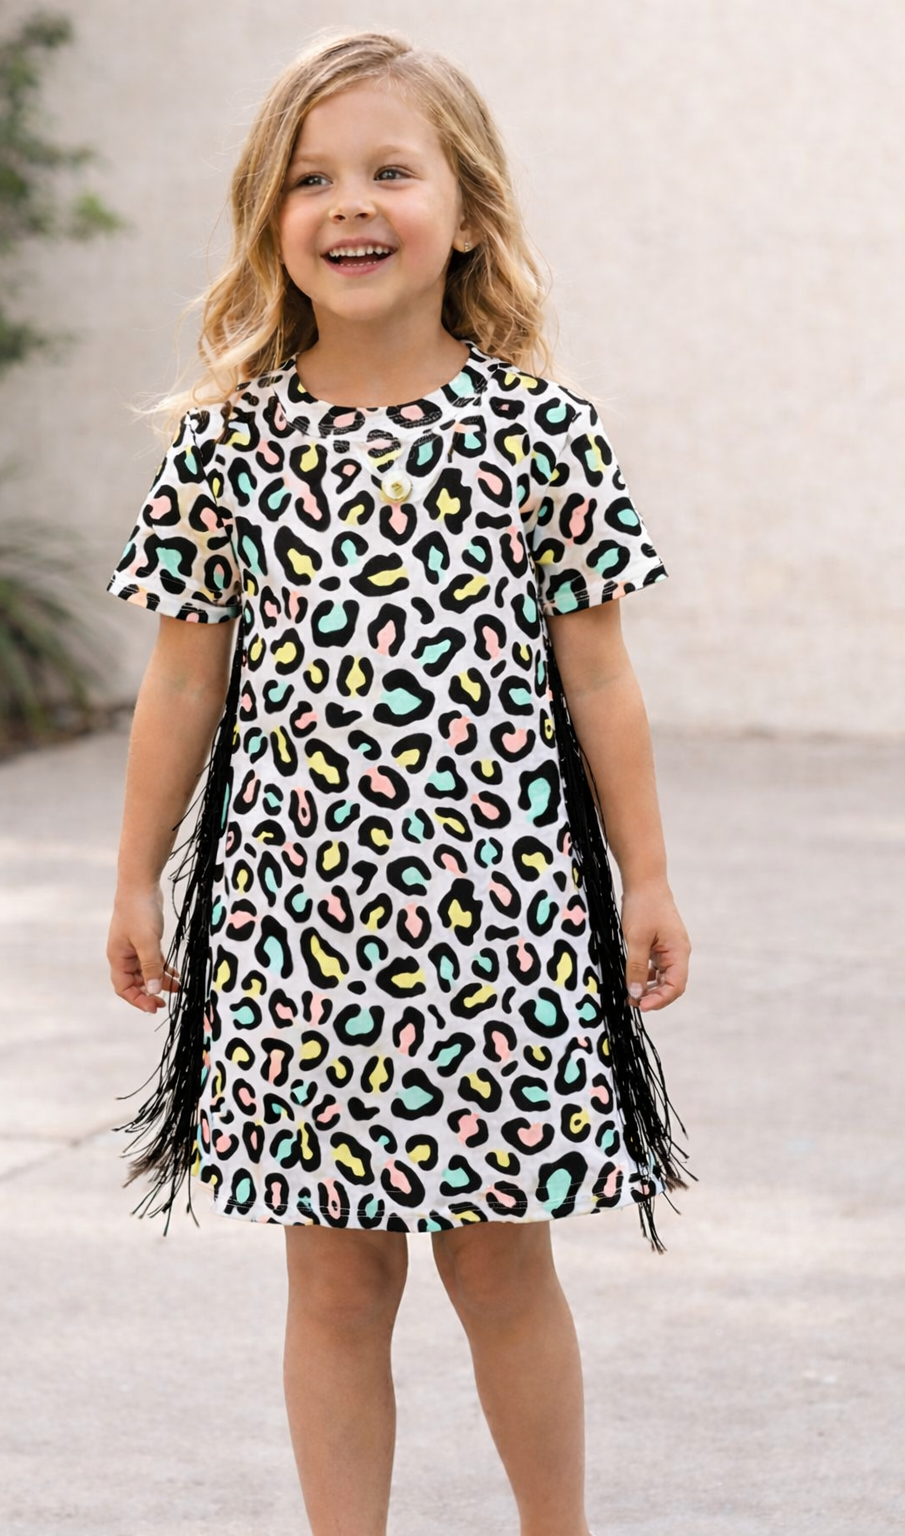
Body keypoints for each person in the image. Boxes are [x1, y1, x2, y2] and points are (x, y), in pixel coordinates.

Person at [104, 27, 693, 1536]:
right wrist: (132, 874)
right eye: (310, 179)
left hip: (498, 932)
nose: (348, 204)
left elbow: (600, 675)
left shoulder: (537, 428)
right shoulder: (229, 445)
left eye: (388, 171)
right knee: (336, 1270)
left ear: (468, 212)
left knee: (501, 1259)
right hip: (303, 940)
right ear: (269, 220)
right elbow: (184, 679)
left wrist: (649, 874)